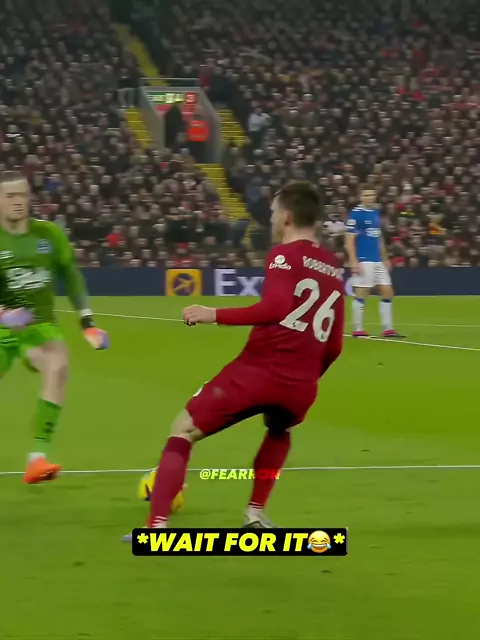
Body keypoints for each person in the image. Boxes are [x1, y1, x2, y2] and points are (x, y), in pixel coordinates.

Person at [123, 180, 345, 538]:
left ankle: (157, 527)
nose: (271, 219)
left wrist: (212, 314)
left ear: (287, 217)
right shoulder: (333, 267)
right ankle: (255, 513)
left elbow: (274, 308)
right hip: (302, 383)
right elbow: (334, 345)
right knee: (279, 429)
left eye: (273, 213)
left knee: (182, 429)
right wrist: (305, 375)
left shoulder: (284, 255)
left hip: (259, 371)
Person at [0, 171, 109, 483]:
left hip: (39, 326)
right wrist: (4, 316)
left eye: (22, 194)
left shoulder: (48, 234)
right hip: (3, 326)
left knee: (58, 363)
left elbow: (71, 275)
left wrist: (87, 321)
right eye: (10, 195)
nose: (18, 201)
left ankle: (37, 459)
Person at [345, 189, 404, 338]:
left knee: (387, 291)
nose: (369, 197)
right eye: (365, 195)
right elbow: (349, 239)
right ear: (360, 197)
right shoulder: (356, 214)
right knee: (362, 292)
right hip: (364, 259)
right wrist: (353, 260)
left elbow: (379, 237)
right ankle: (358, 329)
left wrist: (385, 258)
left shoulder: (375, 212)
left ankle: (388, 329)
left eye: (371, 195)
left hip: (377, 260)